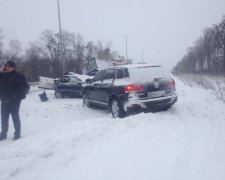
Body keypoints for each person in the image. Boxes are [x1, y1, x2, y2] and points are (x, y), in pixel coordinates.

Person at [0, 61, 29, 141]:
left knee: (15, 117)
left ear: (13, 67)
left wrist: (14, 95)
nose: (7, 68)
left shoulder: (19, 75)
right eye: (6, 66)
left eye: (9, 66)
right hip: (4, 100)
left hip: (14, 101)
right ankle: (3, 134)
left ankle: (17, 134)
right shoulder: (2, 75)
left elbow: (24, 87)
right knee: (4, 118)